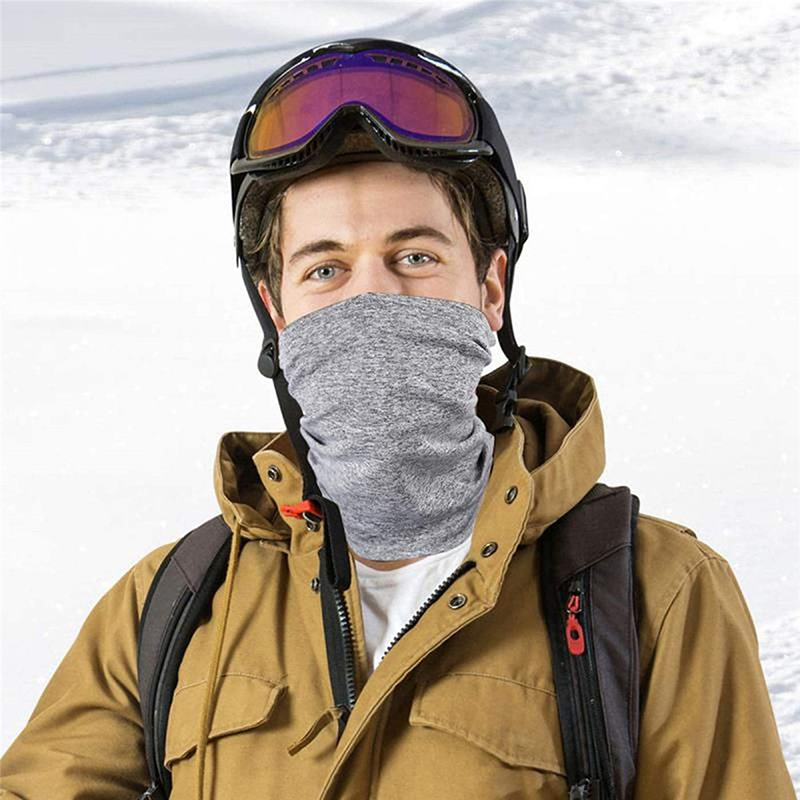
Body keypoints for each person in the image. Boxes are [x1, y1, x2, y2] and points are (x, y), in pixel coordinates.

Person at [1, 37, 794, 800]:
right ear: (277, 311)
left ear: (490, 288)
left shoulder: (655, 592)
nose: (372, 296)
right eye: (326, 268)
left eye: (415, 257)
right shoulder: (171, 601)